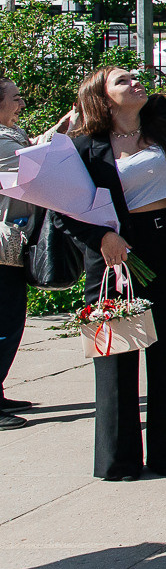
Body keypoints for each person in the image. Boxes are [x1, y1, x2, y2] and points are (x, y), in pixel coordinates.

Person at [58, 5, 166, 479]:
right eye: (123, 80)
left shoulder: (159, 123)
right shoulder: (81, 147)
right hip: (114, 254)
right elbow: (60, 208)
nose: (136, 82)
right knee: (116, 354)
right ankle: (118, 461)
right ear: (102, 98)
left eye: (136, 77)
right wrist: (103, 239)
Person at [0, 80, 34, 430]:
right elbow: (31, 171)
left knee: (9, 321)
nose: (21, 103)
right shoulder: (0, 141)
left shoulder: (10, 133)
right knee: (4, 323)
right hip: (2, 246)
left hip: (9, 245)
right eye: (15, 97)